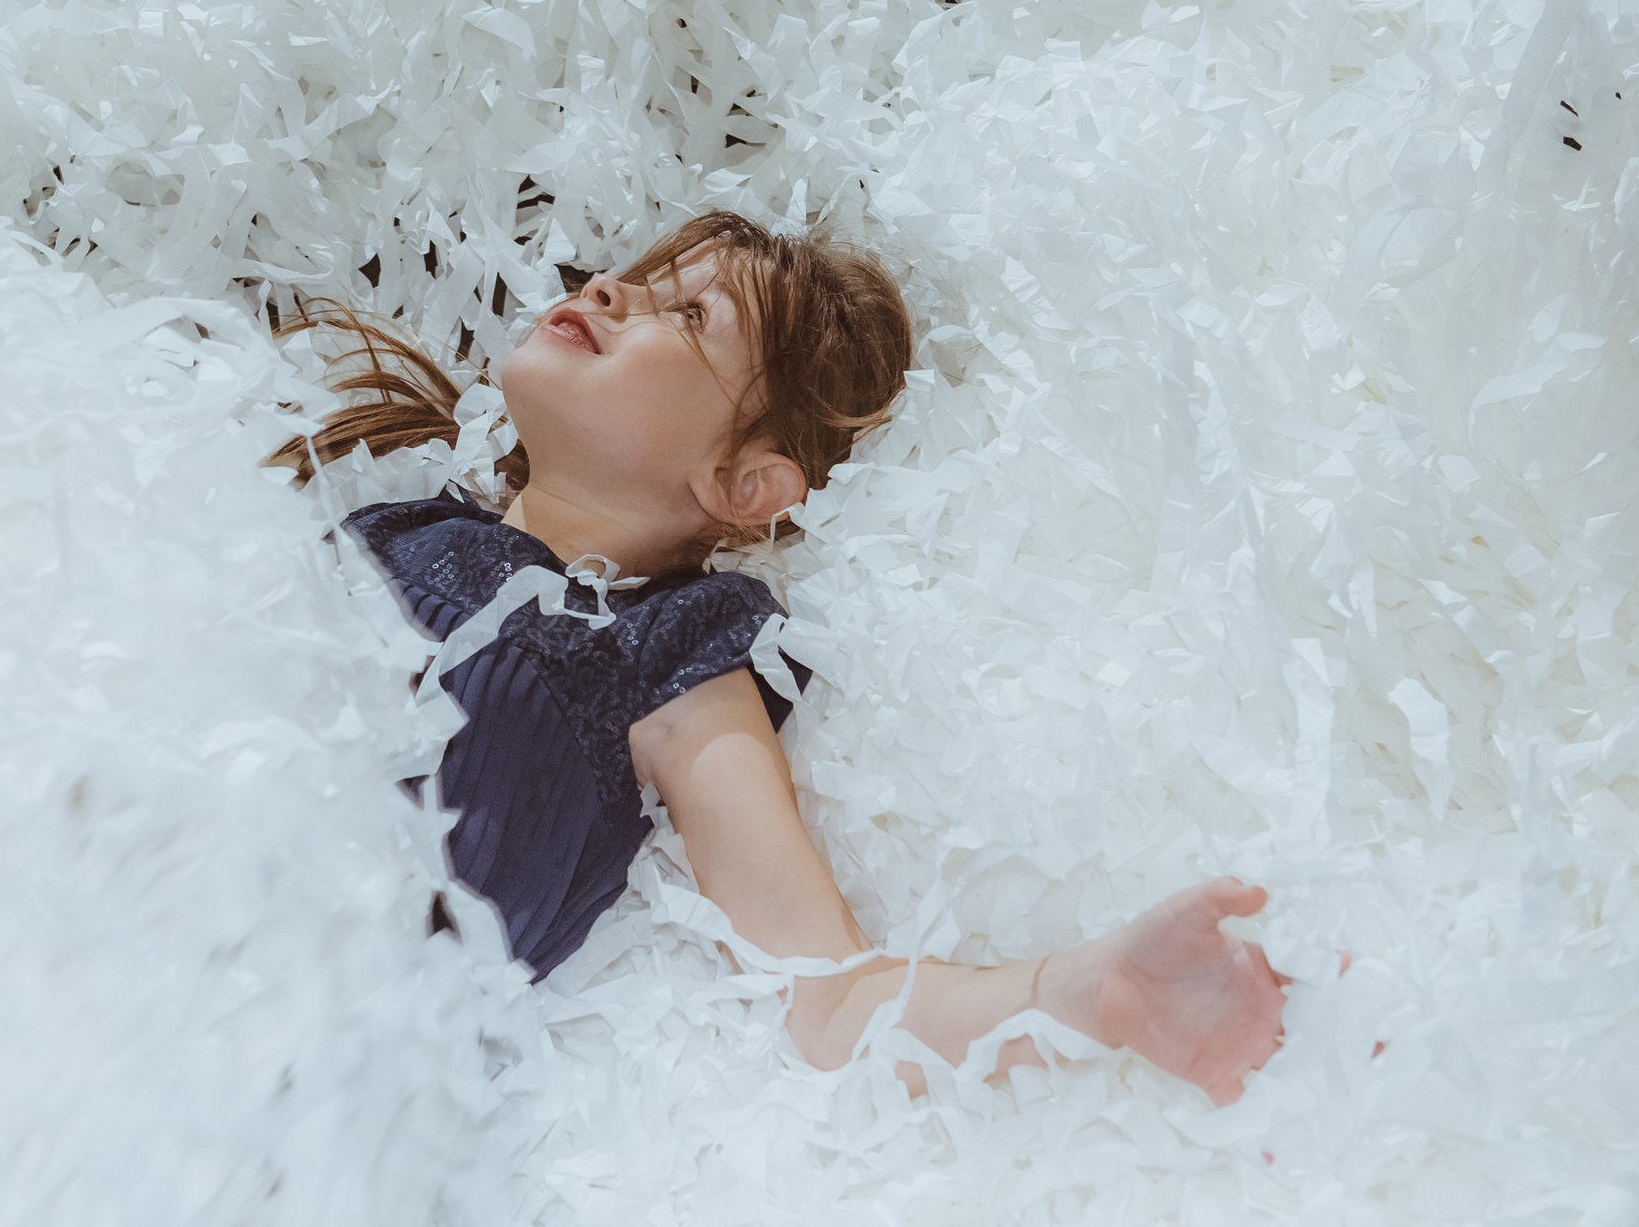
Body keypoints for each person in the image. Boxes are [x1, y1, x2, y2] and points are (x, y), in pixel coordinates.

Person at [272, 211, 1291, 1103]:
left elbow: (831, 997)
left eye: (686, 315)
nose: (606, 287)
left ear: (744, 484)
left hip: (296, 1062)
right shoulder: (374, 509)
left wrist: (1083, 991)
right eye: (631, 277)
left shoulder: (663, 653)